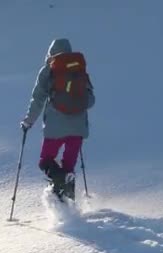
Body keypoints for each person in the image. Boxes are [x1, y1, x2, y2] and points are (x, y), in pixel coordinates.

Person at [20, 38, 95, 200]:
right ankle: (69, 208)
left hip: (55, 127)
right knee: (69, 167)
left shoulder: (48, 70)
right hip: (78, 129)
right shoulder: (79, 70)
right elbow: (91, 100)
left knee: (45, 160)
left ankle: (59, 183)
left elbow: (38, 99)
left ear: (50, 53)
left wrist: (28, 121)